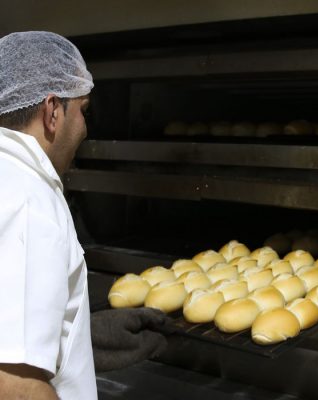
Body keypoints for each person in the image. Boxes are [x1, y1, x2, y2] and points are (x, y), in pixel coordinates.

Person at [0, 31, 174, 400]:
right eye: (84, 111)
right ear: (52, 111)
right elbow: (13, 386)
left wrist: (78, 339)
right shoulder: (32, 203)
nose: (85, 128)